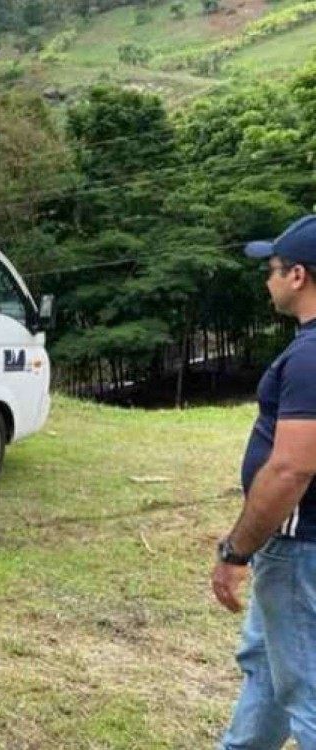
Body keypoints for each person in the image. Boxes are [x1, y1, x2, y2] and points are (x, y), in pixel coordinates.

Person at [213, 214, 316, 748]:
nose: (266, 279)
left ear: (297, 275)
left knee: (307, 691)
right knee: (269, 667)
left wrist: (236, 551)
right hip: (300, 550)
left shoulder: (310, 355)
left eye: (272, 269)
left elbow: (291, 468)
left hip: (299, 548)